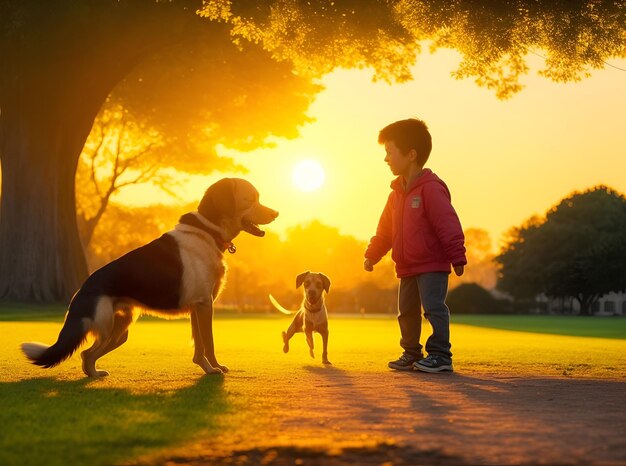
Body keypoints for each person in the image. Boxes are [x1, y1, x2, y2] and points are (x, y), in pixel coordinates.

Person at [364, 118, 466, 373]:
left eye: (389, 152)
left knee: (433, 308)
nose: (386, 159)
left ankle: (441, 355)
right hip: (406, 265)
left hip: (432, 264)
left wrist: (457, 257)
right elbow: (385, 230)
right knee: (406, 312)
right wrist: (373, 254)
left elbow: (448, 223)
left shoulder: (431, 189)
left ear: (411, 154)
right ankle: (411, 353)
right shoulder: (395, 194)